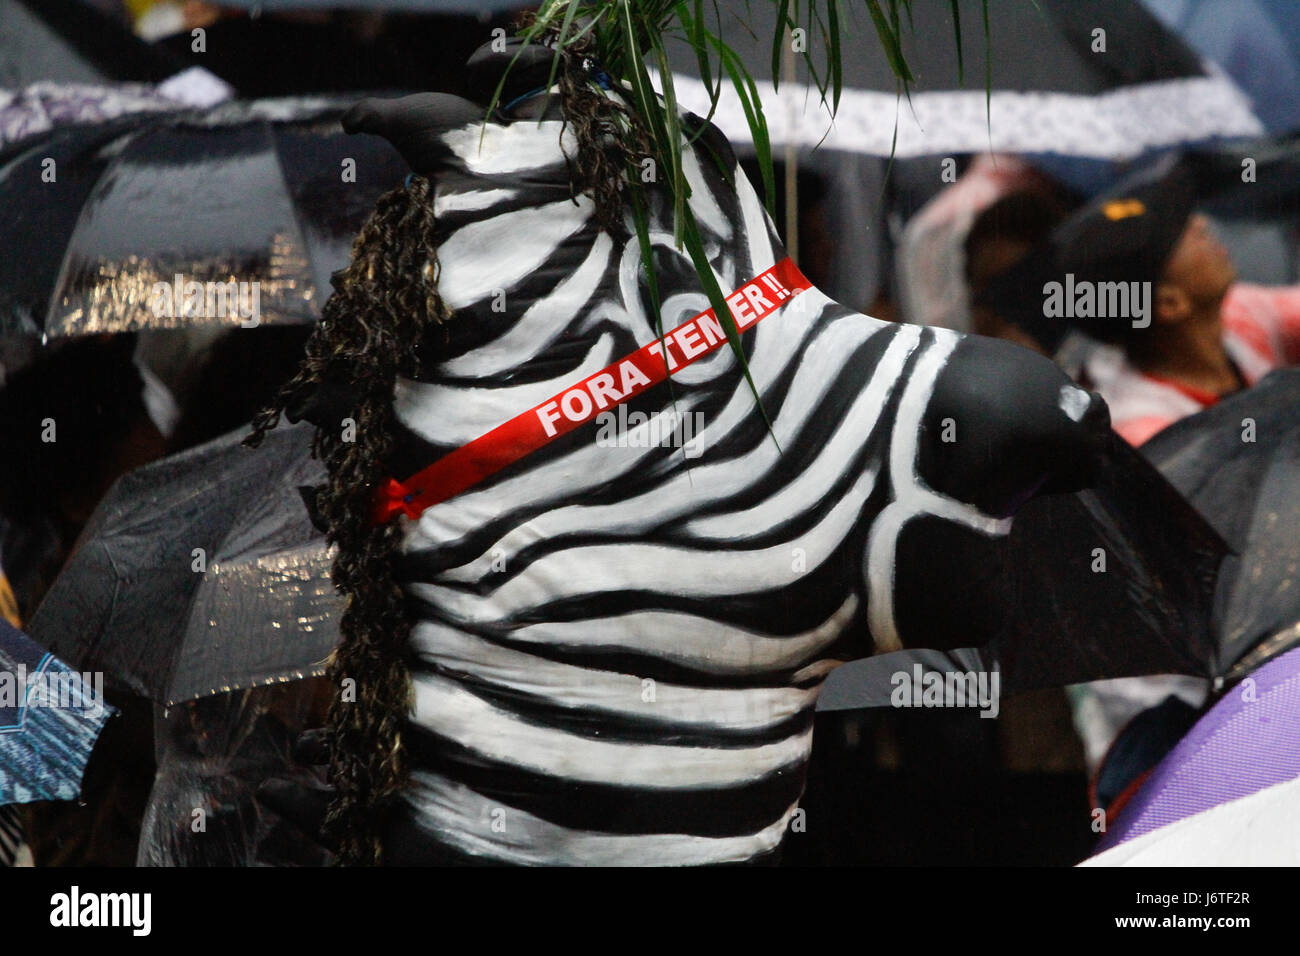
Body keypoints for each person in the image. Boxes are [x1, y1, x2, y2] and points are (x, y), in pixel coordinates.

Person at [1052, 157, 1300, 446]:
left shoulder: (1236, 312)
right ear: (1170, 303)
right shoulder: (1153, 438)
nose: (1200, 223)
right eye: (1177, 233)